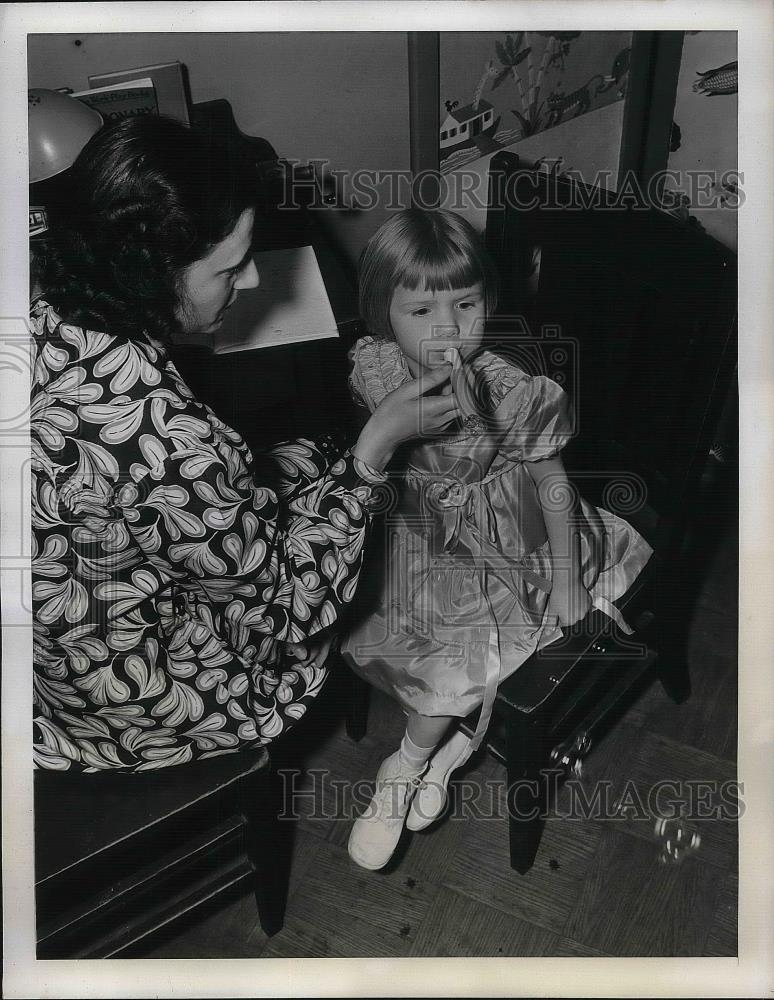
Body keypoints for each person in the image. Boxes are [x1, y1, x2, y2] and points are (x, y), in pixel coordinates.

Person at [30, 116, 461, 772]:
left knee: (308, 452)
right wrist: (375, 450)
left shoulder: (38, 311)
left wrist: (337, 455)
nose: (253, 282)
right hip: (130, 706)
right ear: (151, 270)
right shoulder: (167, 434)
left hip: (45, 657)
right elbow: (290, 608)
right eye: (230, 268)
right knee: (342, 515)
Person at [340, 208, 653, 870]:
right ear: (381, 313)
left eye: (467, 303)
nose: (450, 328)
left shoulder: (513, 393)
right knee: (396, 628)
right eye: (422, 311)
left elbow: (555, 487)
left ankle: (413, 759)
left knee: (452, 667)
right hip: (424, 534)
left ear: (490, 300)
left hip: (516, 536)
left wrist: (568, 576)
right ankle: (452, 744)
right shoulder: (379, 368)